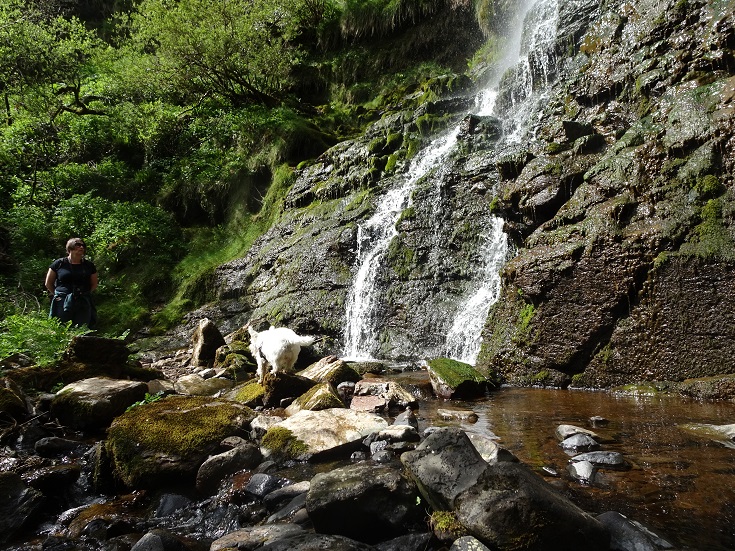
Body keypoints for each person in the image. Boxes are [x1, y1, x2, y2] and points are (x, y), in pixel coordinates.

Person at [45, 237, 98, 328]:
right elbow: (48, 283)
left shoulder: (89, 265)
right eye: (78, 245)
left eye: (83, 245)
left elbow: (94, 283)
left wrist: (86, 294)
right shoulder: (59, 264)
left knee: (82, 328)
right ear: (70, 248)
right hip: (63, 300)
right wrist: (57, 295)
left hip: (83, 300)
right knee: (61, 327)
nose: (81, 247)